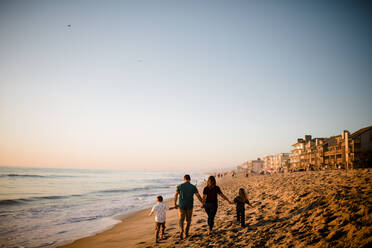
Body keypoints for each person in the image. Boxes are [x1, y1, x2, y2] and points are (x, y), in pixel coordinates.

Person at [174, 174, 203, 239]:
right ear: (190, 179)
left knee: (181, 219)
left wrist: (175, 204)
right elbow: (198, 196)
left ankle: (181, 230)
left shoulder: (179, 186)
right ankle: (186, 233)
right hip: (189, 205)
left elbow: (175, 195)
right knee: (188, 220)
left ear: (184, 179)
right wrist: (202, 203)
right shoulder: (193, 187)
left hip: (181, 206)